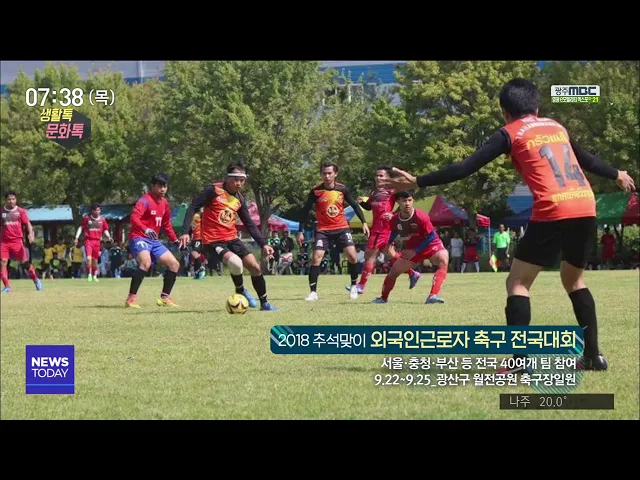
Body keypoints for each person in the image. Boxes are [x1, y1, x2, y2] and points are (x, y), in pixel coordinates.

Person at [380, 78, 636, 371]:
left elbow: (465, 167)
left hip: (553, 207)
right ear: (536, 107)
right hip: (584, 204)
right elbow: (586, 159)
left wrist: (418, 180)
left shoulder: (509, 133)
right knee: (574, 280)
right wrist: (616, 173)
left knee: (517, 283)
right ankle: (593, 357)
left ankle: (519, 362)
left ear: (505, 112)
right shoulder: (556, 127)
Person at [180, 164, 278, 311]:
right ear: (227, 178)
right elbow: (193, 206)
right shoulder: (213, 190)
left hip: (232, 238)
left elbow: (249, 223)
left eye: (242, 180)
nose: (239, 183)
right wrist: (185, 232)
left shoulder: (240, 199)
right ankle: (241, 290)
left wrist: (263, 244)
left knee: (255, 267)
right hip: (213, 241)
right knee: (236, 264)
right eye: (235, 180)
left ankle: (264, 303)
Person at [297, 162, 370, 301]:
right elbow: (305, 211)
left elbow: (355, 205)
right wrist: (300, 231)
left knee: (352, 256)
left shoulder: (342, 189)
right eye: (324, 173)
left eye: (329, 173)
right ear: (321, 174)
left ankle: (353, 287)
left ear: (335, 174)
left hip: (341, 228)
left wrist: (364, 222)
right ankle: (313, 292)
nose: (327, 176)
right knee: (316, 258)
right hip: (323, 230)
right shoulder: (316, 191)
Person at [347, 166, 420, 295]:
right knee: (390, 254)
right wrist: (362, 203)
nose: (378, 178)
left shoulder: (392, 190)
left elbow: (405, 202)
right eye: (377, 175)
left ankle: (361, 286)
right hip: (377, 227)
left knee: (369, 254)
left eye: (381, 175)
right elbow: (370, 207)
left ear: (387, 178)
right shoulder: (375, 192)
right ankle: (412, 273)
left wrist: (394, 214)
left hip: (382, 228)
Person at [371, 191, 449, 304]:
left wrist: (416, 250)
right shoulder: (395, 219)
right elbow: (394, 231)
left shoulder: (421, 216)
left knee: (443, 258)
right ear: (398, 202)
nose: (407, 203)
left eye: (409, 200)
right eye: (404, 201)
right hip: (412, 249)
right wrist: (388, 244)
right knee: (393, 272)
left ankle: (433, 296)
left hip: (430, 245)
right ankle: (383, 298)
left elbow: (431, 236)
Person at [125, 173, 186, 309]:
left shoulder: (164, 203)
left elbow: (167, 225)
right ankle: (131, 299)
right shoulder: (144, 201)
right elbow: (134, 218)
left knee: (174, 264)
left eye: (165, 186)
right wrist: (145, 229)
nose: (162, 189)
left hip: (154, 241)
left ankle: (164, 298)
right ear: (152, 186)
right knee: (145, 263)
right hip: (139, 237)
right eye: (159, 186)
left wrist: (176, 241)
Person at [1, 191, 43, 292]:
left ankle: (36, 279)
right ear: (6, 200)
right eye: (9, 199)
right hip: (4, 242)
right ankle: (7, 286)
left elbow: (28, 224)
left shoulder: (21, 211)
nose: (11, 201)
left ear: (16, 200)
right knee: (3, 262)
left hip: (17, 241)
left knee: (24, 263)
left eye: (13, 199)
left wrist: (30, 233)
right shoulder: (1, 211)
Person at [74, 203, 111, 283]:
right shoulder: (87, 219)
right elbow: (81, 227)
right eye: (96, 210)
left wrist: (109, 236)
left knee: (95, 260)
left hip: (97, 242)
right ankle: (89, 275)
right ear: (92, 211)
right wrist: (76, 237)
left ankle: (94, 276)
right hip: (89, 241)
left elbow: (105, 229)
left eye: (99, 210)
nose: (98, 211)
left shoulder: (102, 220)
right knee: (88, 258)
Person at [189, 208, 206, 280]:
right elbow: (191, 228)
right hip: (195, 238)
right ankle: (197, 273)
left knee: (194, 254)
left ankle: (201, 269)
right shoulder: (194, 216)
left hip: (199, 238)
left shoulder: (198, 215)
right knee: (196, 256)